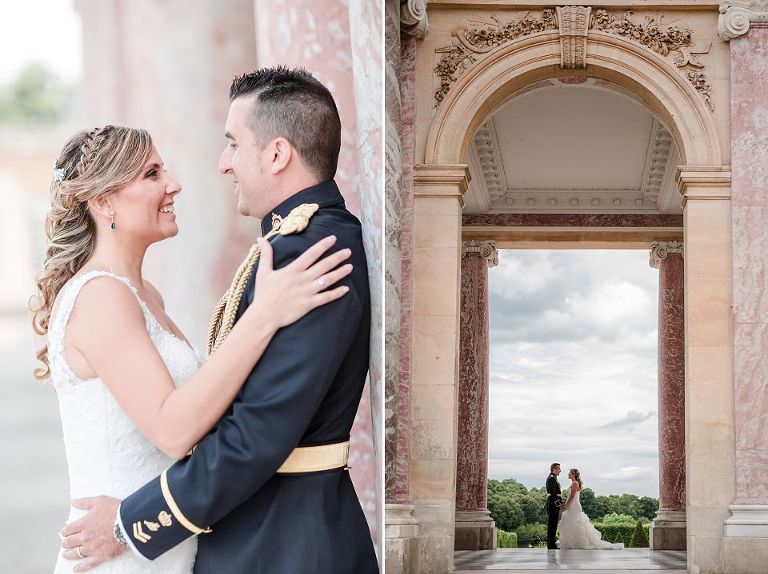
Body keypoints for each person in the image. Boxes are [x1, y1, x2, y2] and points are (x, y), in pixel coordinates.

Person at [58, 67, 379, 573]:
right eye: (152, 174)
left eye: (232, 143)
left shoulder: (309, 250)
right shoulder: (290, 245)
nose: (220, 164)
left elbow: (256, 429)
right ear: (102, 202)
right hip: (237, 534)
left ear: (276, 154)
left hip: (281, 541)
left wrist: (132, 522)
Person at [558, 468, 624, 550]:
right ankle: (573, 542)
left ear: (574, 474)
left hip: (574, 505)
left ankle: (576, 543)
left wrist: (566, 506)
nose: (568, 474)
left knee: (575, 522)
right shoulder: (573, 483)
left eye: (570, 473)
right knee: (572, 523)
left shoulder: (575, 483)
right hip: (572, 505)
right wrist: (565, 504)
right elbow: (570, 497)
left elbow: (572, 497)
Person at [545, 462, 563, 549]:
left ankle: (552, 543)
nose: (560, 470)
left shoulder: (553, 478)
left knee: (553, 524)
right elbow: (553, 494)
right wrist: (559, 504)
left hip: (553, 503)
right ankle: (551, 544)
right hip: (553, 504)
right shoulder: (551, 479)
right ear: (554, 469)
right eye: (559, 469)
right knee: (552, 524)